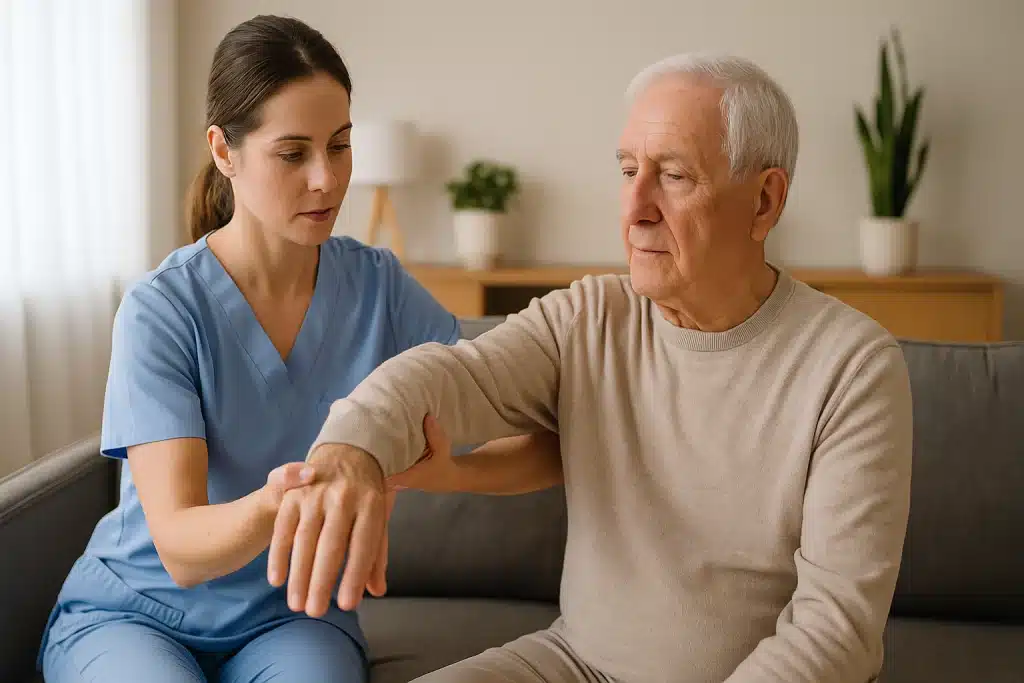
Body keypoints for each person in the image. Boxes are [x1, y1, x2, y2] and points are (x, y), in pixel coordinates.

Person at [271, 53, 915, 683]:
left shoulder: (852, 367)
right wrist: (353, 447)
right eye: (629, 170)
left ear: (764, 202)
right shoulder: (590, 317)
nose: (634, 208)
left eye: (674, 176)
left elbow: (835, 631)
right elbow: (452, 377)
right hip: (576, 662)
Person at [37, 14, 562, 683]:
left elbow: (538, 433)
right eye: (293, 154)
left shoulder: (379, 288)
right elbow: (181, 549)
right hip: (137, 613)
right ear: (224, 152)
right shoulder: (163, 308)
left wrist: (452, 474)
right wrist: (290, 498)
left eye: (340, 146)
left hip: (294, 615)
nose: (327, 179)